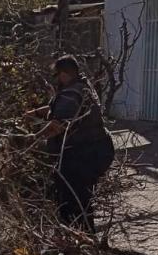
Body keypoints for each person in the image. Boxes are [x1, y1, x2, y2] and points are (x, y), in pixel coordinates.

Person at [28, 55, 115, 233]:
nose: (57, 79)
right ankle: (83, 241)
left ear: (65, 74)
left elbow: (58, 125)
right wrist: (35, 112)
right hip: (96, 151)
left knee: (71, 202)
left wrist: (30, 139)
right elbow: (57, 108)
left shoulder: (71, 94)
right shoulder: (81, 88)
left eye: (58, 75)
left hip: (82, 155)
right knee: (81, 200)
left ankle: (79, 242)